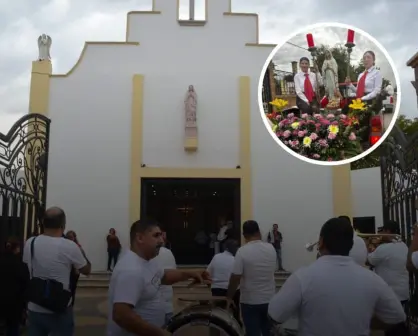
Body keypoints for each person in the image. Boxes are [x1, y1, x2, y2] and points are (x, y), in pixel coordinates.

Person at [268, 217, 406, 336]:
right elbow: (397, 316)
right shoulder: (372, 279)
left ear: (321, 242)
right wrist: (362, 320)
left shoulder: (302, 277)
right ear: (351, 245)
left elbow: (275, 314)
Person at [107, 219, 211, 335]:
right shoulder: (130, 270)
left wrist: (189, 273)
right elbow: (121, 315)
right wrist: (159, 334)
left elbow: (162, 276)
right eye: (156, 236)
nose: (162, 241)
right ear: (140, 238)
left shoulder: (148, 260)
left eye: (161, 236)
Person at [23, 207, 92, 336]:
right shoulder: (69, 246)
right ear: (63, 225)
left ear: (43, 223)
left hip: (35, 305)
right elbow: (86, 270)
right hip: (60, 308)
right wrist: (80, 253)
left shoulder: (30, 243)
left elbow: (27, 265)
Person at [226, 220, 276, 336]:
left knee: (252, 333)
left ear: (244, 235)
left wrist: (229, 296)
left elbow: (235, 277)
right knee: (268, 332)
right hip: (269, 299)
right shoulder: (271, 248)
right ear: (259, 232)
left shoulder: (242, 251)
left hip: (250, 301)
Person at [368, 220, 409, 336]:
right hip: (403, 292)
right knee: (400, 324)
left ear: (388, 231)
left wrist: (368, 246)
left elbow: (369, 260)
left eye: (383, 231)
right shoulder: (403, 245)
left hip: (391, 293)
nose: (381, 234)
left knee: (392, 327)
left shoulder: (384, 249)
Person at [206, 239, 241, 324]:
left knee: (217, 314)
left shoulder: (216, 257)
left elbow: (207, 273)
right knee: (235, 313)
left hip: (216, 289)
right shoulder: (235, 260)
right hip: (231, 290)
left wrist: (210, 286)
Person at [0, 238, 30, 336]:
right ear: (17, 248)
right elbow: (26, 284)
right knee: (13, 327)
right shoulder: (21, 264)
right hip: (15, 301)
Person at [154, 242, 177, 325]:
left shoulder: (146, 256)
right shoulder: (168, 252)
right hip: (167, 305)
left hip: (153, 310)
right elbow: (174, 273)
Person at [65, 230, 82, 306]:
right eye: (68, 237)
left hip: (74, 271)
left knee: (72, 288)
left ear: (74, 238)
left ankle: (71, 304)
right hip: (66, 270)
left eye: (71, 237)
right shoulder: (63, 245)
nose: (70, 239)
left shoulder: (77, 246)